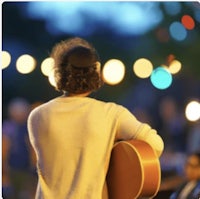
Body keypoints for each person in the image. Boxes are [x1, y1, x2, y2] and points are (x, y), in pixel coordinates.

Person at [27, 37, 164, 199]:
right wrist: (115, 152)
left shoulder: (37, 116)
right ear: (96, 73)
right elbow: (156, 145)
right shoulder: (111, 114)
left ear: (58, 74)